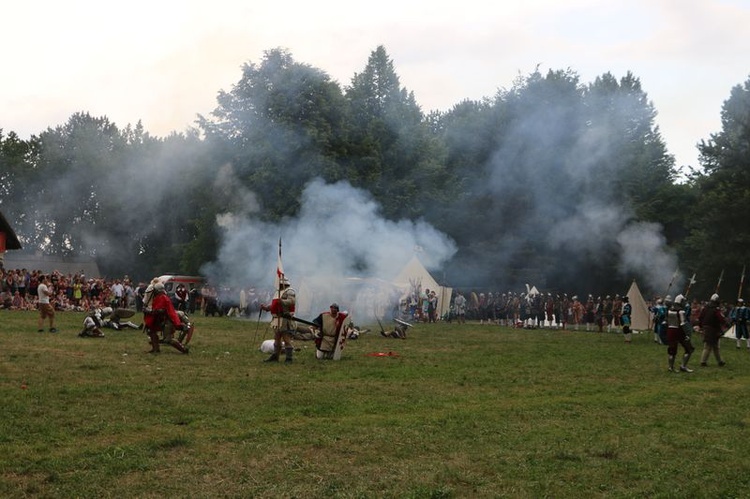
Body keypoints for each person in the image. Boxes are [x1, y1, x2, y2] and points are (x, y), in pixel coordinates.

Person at [143, 280, 188, 354]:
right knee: (151, 331)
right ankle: (156, 349)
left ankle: (184, 350)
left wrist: (149, 311)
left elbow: (161, 310)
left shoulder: (163, 297)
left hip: (167, 320)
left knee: (168, 340)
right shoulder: (159, 297)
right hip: (161, 319)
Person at [260, 277, 296, 363]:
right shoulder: (277, 292)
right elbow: (275, 305)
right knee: (277, 338)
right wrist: (267, 308)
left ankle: (289, 358)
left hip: (285, 319)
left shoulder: (290, 291)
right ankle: (275, 356)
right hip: (277, 319)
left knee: (286, 338)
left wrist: (282, 301)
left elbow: (292, 301)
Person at [665, 294, 695, 373]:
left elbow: (666, 321)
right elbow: (683, 324)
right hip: (680, 332)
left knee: (672, 351)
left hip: (670, 331)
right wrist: (688, 334)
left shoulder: (669, 309)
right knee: (689, 349)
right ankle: (683, 366)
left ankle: (671, 367)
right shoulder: (681, 311)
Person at [698, 293, 729, 367]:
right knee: (708, 346)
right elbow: (721, 318)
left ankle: (720, 361)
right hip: (713, 329)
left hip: (708, 328)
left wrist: (701, 326)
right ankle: (703, 361)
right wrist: (726, 323)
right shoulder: (716, 309)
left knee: (715, 346)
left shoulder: (705, 308)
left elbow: (700, 318)